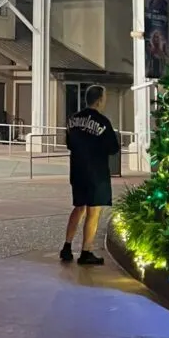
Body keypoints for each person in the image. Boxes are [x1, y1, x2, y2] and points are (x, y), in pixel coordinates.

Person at [60, 84, 120, 265]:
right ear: (100, 100)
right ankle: (86, 251)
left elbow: (69, 143)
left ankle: (67, 247)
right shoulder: (102, 122)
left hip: (77, 170)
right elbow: (113, 148)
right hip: (96, 173)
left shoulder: (73, 120)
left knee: (79, 207)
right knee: (94, 211)